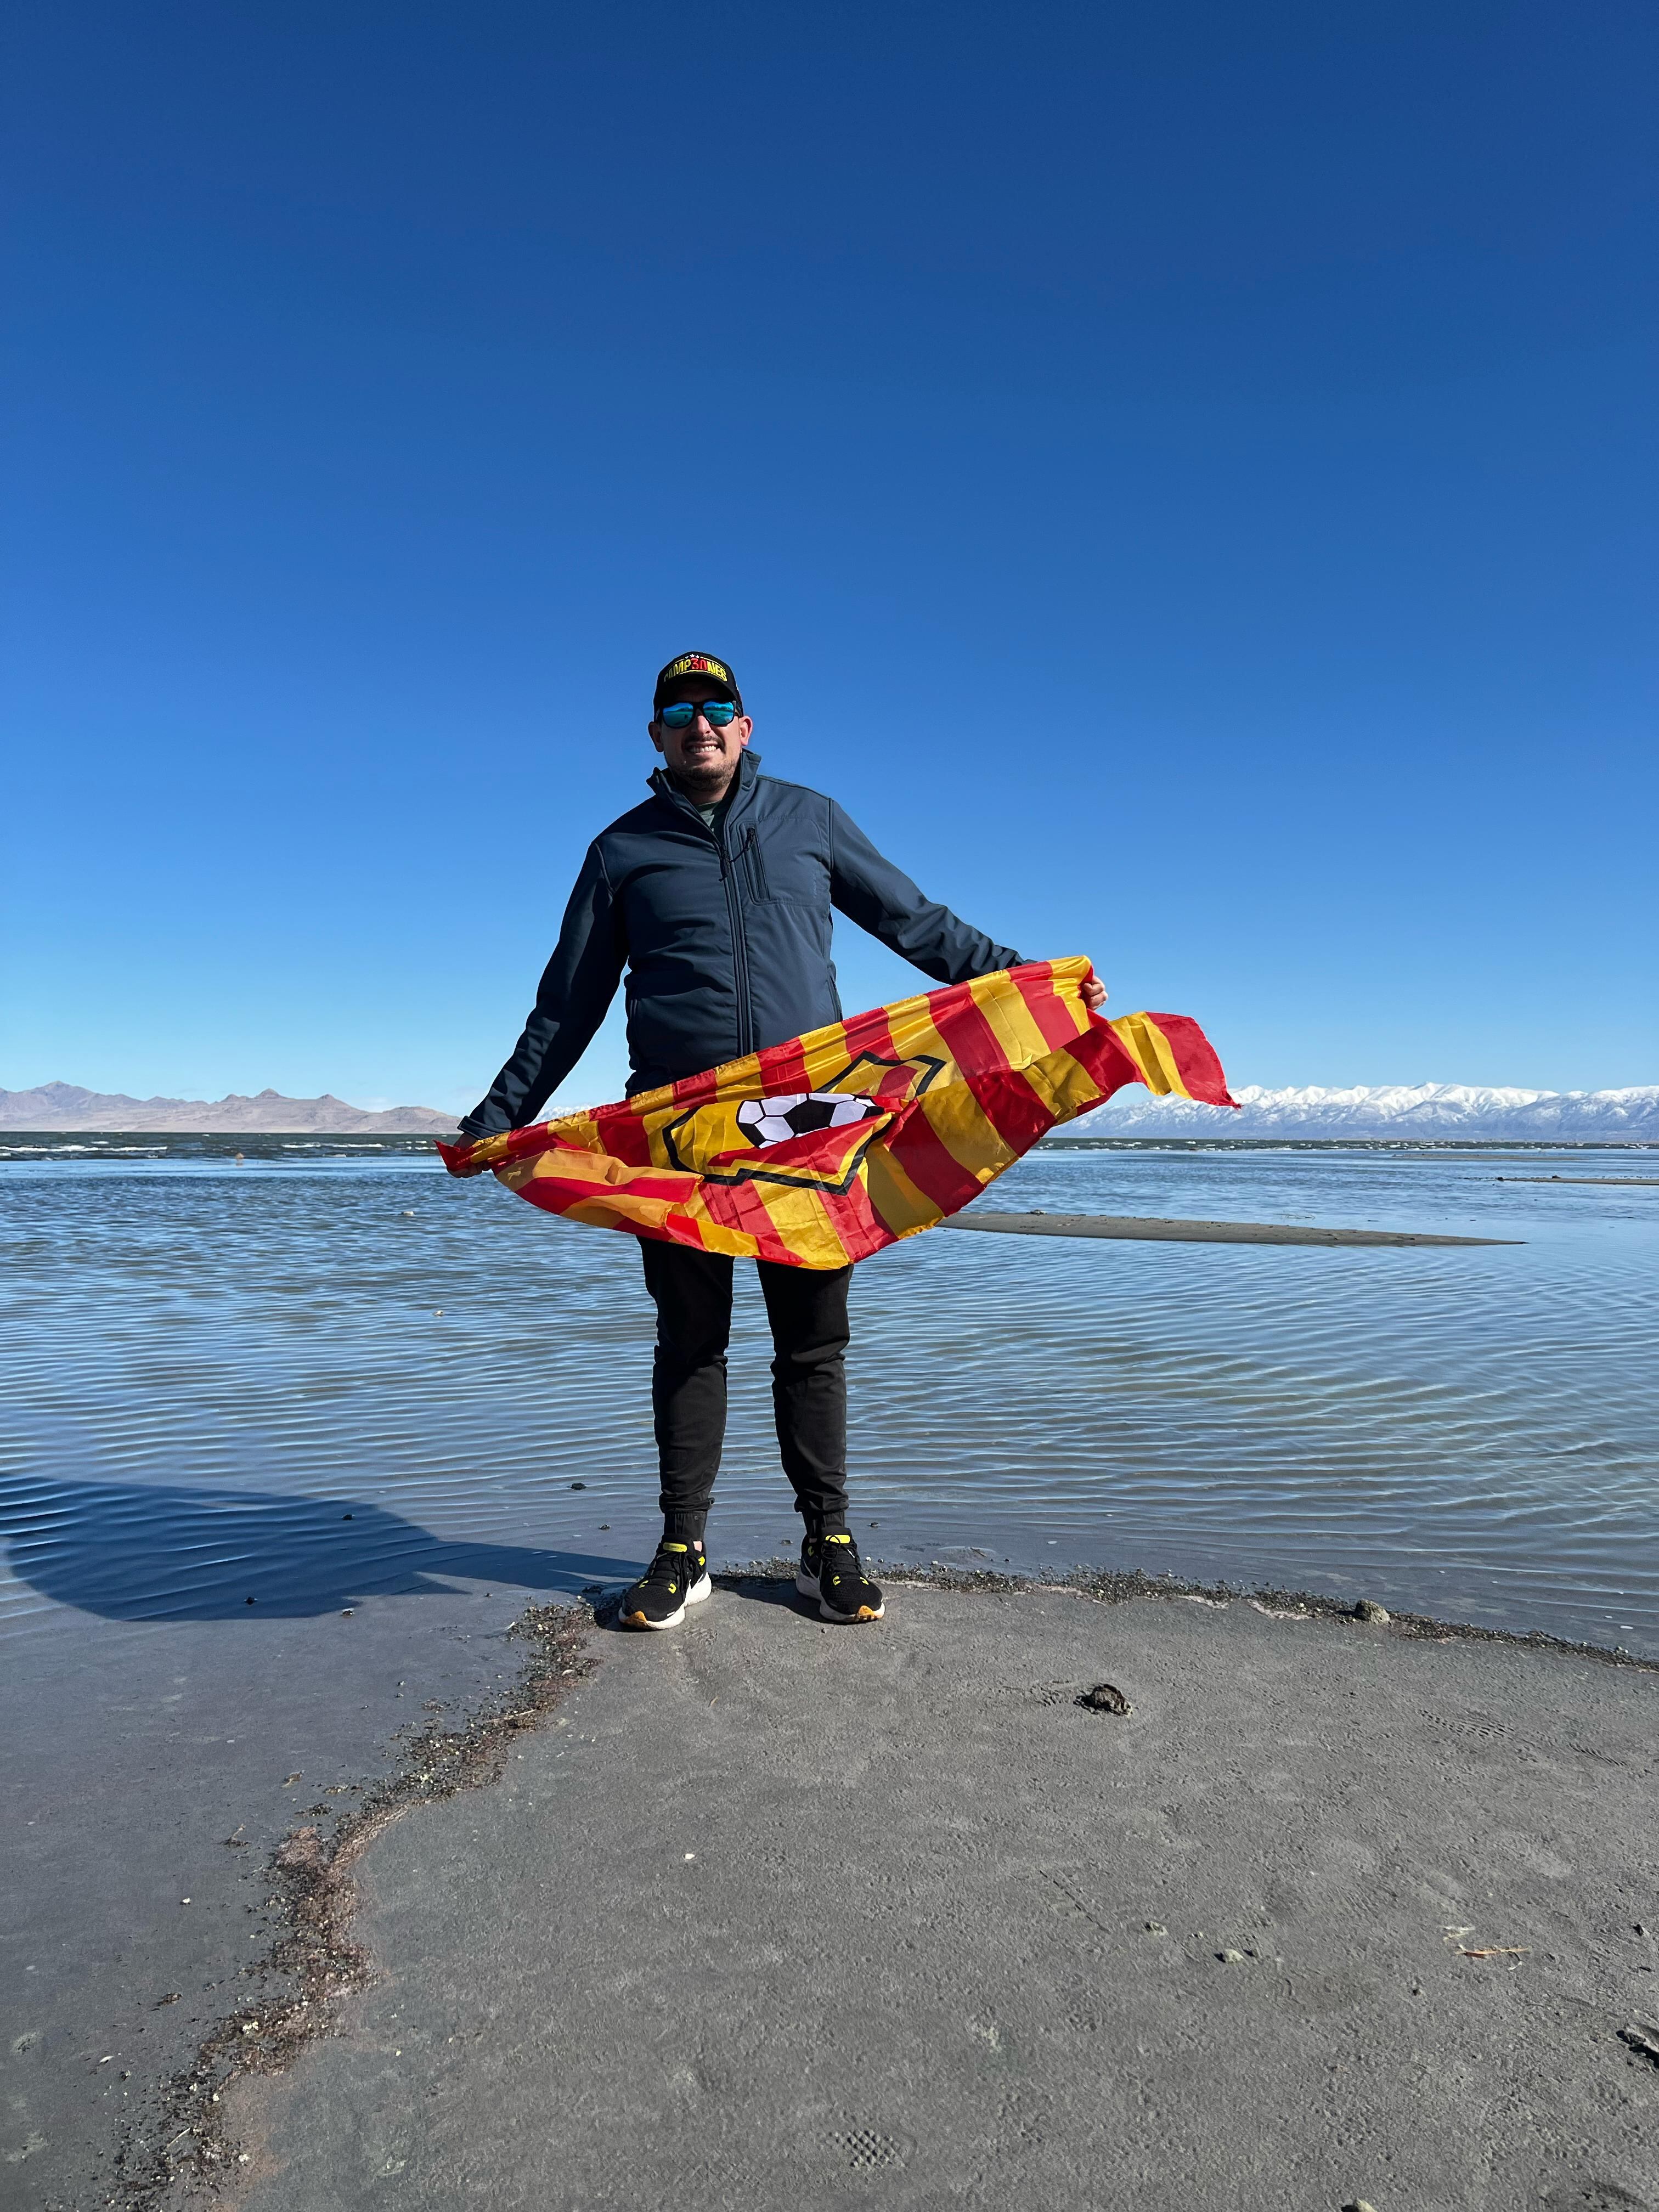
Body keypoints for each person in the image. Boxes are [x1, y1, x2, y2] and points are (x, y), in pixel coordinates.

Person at [457, 650, 1106, 1632]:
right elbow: (569, 1003)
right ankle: (683, 1550)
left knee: (813, 1346)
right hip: (678, 1137)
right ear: (656, 736)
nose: (700, 724)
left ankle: (827, 1545)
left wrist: (1029, 982)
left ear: (745, 727)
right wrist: (500, 1114)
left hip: (810, 1129)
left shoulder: (811, 819)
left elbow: (914, 922)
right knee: (690, 1342)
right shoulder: (620, 851)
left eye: (718, 708)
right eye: (680, 711)